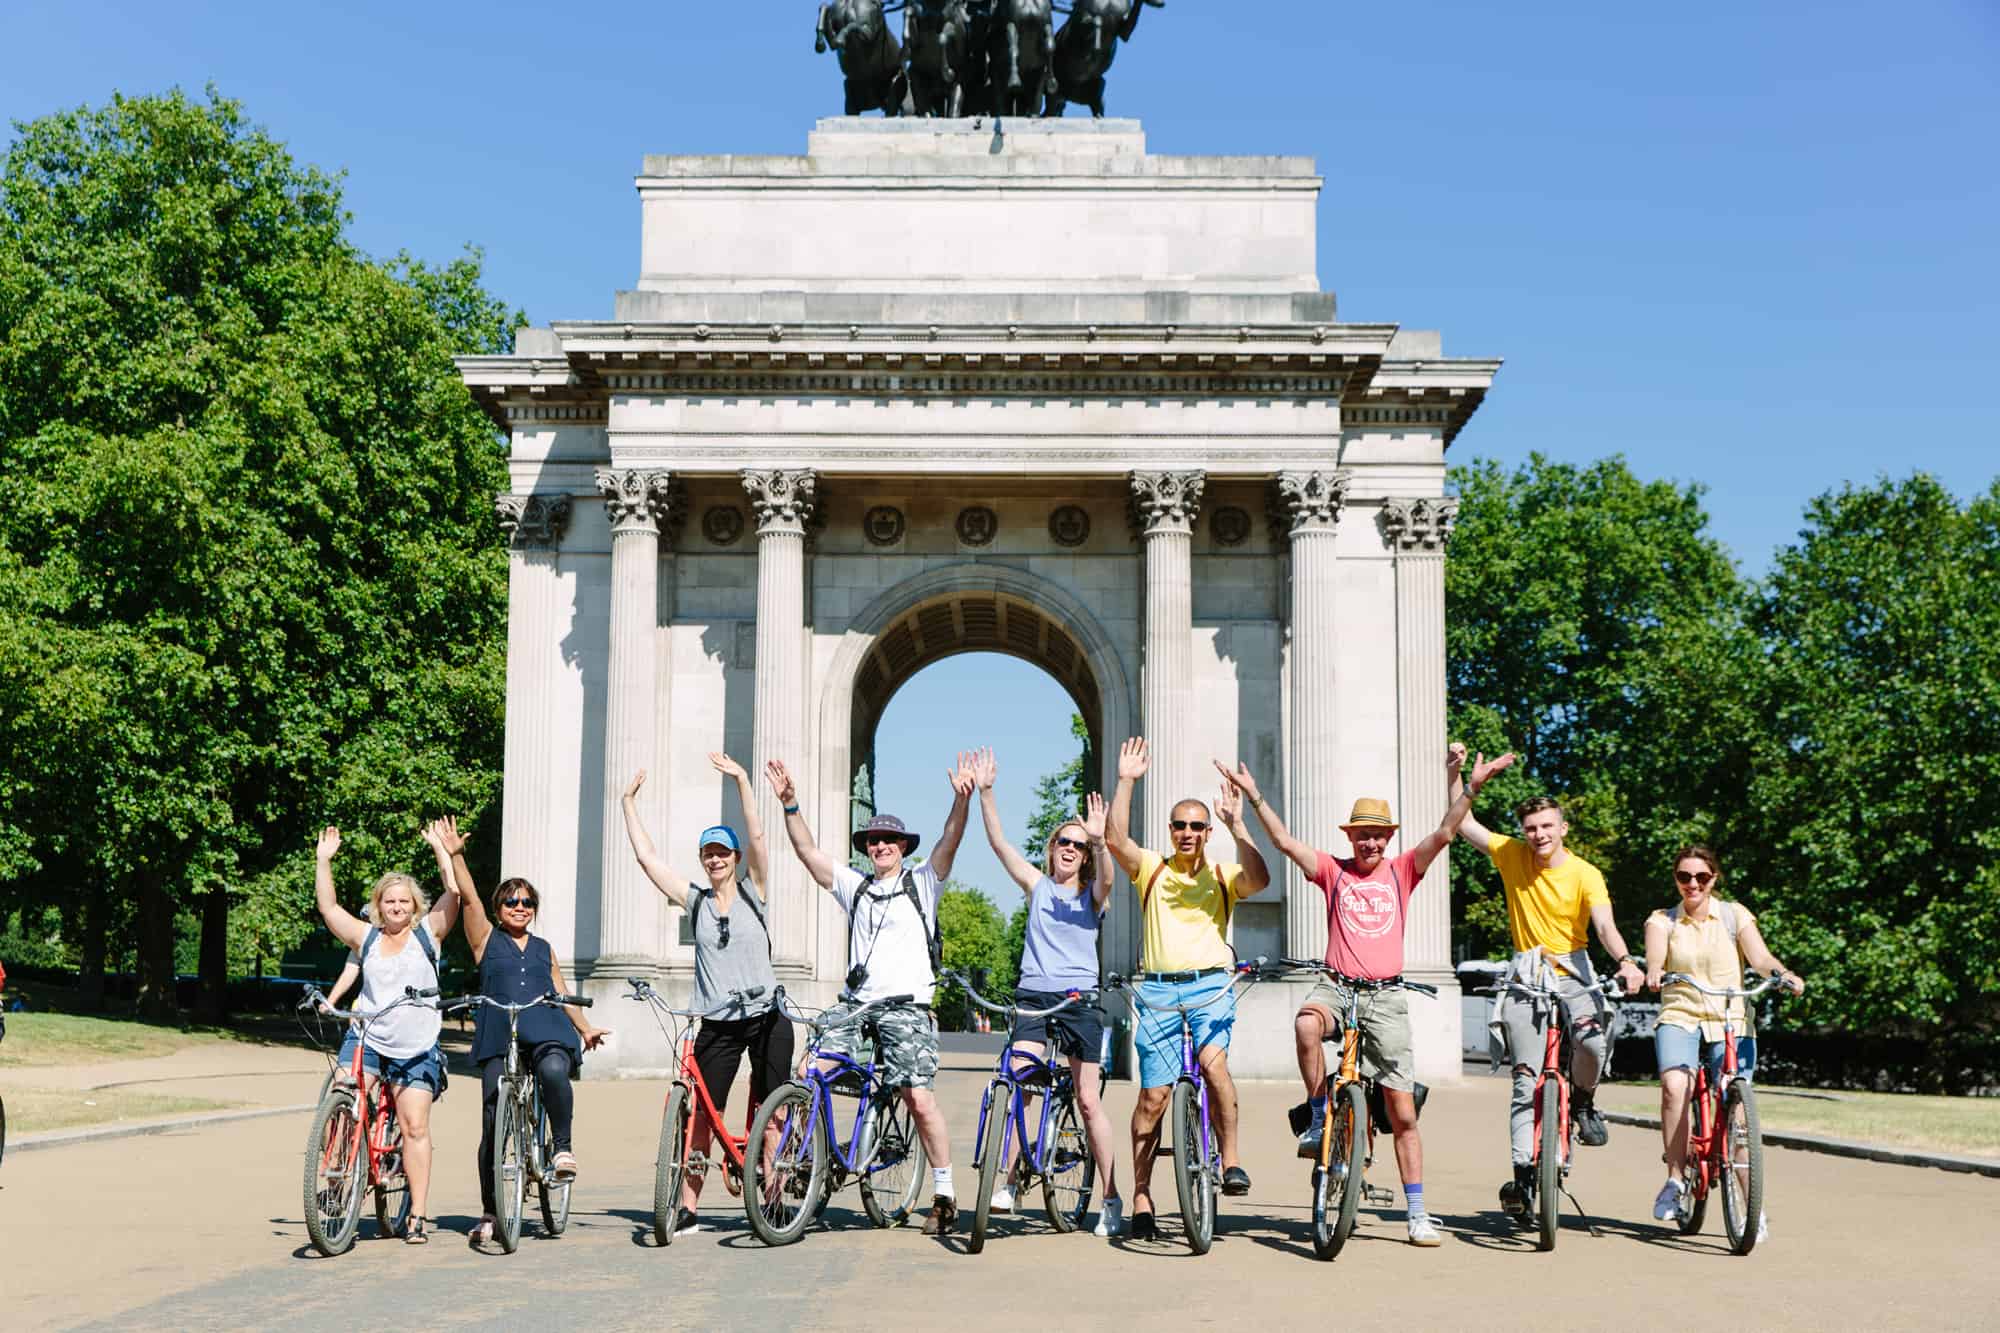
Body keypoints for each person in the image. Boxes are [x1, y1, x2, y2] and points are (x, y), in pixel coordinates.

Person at [1221, 744, 1515, 1247]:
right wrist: (1254, 798)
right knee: (1306, 1024)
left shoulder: (1402, 870)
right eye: (1362, 835)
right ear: (1351, 837)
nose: (1370, 842)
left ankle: (1418, 1212)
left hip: (1387, 997)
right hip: (1337, 986)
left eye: (1378, 834)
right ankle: (1318, 1116)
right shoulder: (1334, 871)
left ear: (1387, 838)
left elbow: (1446, 832)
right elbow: (1286, 842)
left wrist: (1471, 786)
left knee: (1402, 1113)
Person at [765, 753, 972, 1236]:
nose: (880, 846)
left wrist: (960, 801)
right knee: (807, 1072)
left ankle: (944, 1193)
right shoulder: (855, 888)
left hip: (906, 1005)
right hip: (855, 1004)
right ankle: (809, 1162)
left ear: (902, 847)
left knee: (917, 1097)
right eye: (873, 840)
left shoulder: (922, 883)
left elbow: (950, 841)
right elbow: (809, 855)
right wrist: (791, 804)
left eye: (889, 840)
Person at [1450, 753, 1646, 1220]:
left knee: (1594, 1042)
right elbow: (1462, 824)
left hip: (1573, 968)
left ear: (1562, 828)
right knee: (1524, 1080)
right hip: (1526, 970)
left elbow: (1604, 925)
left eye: (1546, 826)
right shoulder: (1511, 855)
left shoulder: (1585, 873)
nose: (1538, 834)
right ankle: (1522, 1176)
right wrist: (1459, 777)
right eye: (1531, 827)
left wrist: (1625, 961)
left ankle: (1583, 1103)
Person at [1103, 736, 1270, 1241]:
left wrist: (1240, 826)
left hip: (1210, 988)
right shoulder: (1152, 869)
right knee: (1152, 1099)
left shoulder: (1222, 873)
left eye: (1198, 825)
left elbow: (1260, 879)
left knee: (1215, 1067)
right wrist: (1127, 780)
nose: (1189, 833)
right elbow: (1114, 841)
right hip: (1156, 992)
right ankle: (1141, 1194)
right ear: (1170, 830)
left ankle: (1232, 1161)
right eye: (1180, 825)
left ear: (1207, 831)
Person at [620, 752, 794, 1237]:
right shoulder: (695, 901)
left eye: (723, 852)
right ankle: (689, 1207)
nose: (716, 858)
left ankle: (775, 1199)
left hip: (766, 1017)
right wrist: (628, 804)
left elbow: (759, 837)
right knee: (700, 1117)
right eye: (708, 853)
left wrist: (741, 779)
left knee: (772, 1110)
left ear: (735, 859)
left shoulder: (754, 892)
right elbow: (647, 860)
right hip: (717, 1022)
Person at [968, 745, 1124, 1237]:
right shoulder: (1037, 886)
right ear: (1053, 847)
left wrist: (1101, 842)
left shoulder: (1091, 894)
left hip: (1080, 1002)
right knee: (1019, 1080)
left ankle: (1111, 1198)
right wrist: (987, 794)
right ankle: (1008, 1181)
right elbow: (999, 845)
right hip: (1034, 998)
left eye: (1078, 845)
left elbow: (1109, 879)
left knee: (1086, 1098)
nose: (1070, 849)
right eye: (1064, 842)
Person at [442, 816, 610, 1246]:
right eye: (512, 902)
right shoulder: (485, 939)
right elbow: (471, 900)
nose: (520, 907)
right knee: (491, 1118)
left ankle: (561, 1149)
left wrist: (585, 1027)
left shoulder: (542, 948)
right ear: (500, 909)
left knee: (555, 1070)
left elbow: (560, 989)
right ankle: (490, 1211)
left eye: (527, 902)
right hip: (500, 1031)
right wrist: (456, 855)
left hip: (546, 1025)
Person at [311, 822, 463, 1243]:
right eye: (389, 901)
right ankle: (337, 1176)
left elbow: (455, 896)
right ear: (379, 906)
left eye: (403, 901)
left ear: (414, 906)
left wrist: (442, 853)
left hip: (416, 1046)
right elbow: (329, 909)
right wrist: (324, 861)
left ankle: (416, 1214)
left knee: (415, 1126)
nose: (396, 907)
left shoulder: (427, 934)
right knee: (341, 1093)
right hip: (369, 1036)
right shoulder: (368, 938)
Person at [1643, 845, 1804, 1238]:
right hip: (1681, 1013)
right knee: (1674, 1085)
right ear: (1676, 879)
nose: (1693, 884)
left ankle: (1752, 1210)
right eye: (1684, 877)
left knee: (1740, 1112)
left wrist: (1783, 973)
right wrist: (1652, 972)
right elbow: (1655, 961)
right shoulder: (1662, 921)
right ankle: (1676, 1180)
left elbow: (1761, 958)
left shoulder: (1734, 915)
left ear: (1714, 878)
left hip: (1731, 1015)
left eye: (1702, 877)